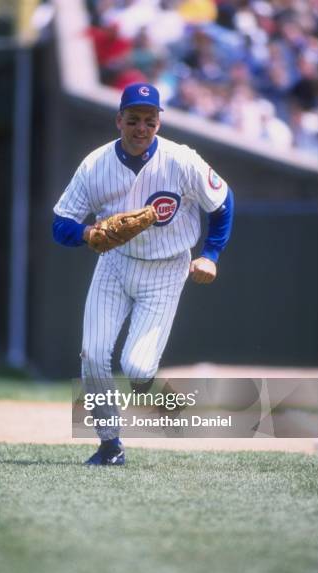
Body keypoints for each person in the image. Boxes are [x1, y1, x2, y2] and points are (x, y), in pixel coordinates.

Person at [52, 82, 234, 466]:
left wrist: (211, 254)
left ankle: (159, 398)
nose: (141, 128)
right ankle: (110, 445)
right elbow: (60, 222)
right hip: (114, 265)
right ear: (119, 120)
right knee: (94, 354)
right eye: (133, 120)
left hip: (167, 269)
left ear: (158, 122)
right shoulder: (95, 164)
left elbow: (222, 201)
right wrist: (87, 233)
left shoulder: (181, 160)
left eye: (149, 121)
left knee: (137, 368)